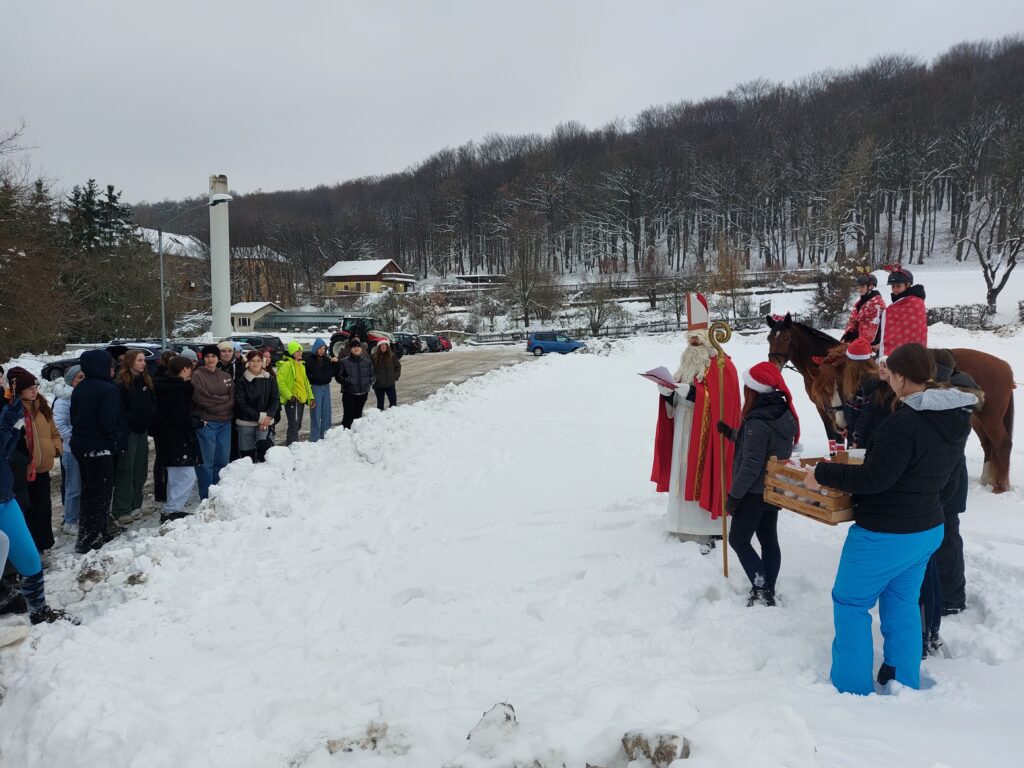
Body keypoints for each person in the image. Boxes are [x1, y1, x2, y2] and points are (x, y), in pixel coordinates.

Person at [804, 343, 976, 695]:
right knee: (901, 602)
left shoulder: (905, 424)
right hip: (926, 527)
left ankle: (851, 688)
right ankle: (903, 676)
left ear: (899, 377)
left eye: (891, 373)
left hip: (886, 532)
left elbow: (874, 479)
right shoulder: (955, 415)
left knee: (851, 602)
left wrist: (822, 473)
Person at [651, 292, 741, 548]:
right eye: (689, 343)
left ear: (707, 342)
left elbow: (725, 402)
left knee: (701, 471)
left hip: (706, 435)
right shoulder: (686, 364)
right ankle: (681, 522)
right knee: (682, 469)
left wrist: (692, 393)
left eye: (696, 343)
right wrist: (668, 395)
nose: (692, 347)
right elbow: (679, 395)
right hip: (683, 426)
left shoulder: (722, 365)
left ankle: (707, 526)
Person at [718, 362, 800, 606]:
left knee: (738, 540)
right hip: (774, 488)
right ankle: (768, 588)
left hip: (754, 492)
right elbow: (764, 447)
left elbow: (752, 463)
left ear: (753, 390)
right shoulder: (781, 412)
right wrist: (733, 433)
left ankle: (762, 587)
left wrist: (734, 496)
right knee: (768, 540)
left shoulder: (757, 421)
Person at [0, 397, 79, 624]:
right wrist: (7, 424)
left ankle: (39, 610)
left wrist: (13, 428)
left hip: (5, 498)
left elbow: (4, 454)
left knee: (30, 558)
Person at [70, 349, 123, 554]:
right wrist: (114, 439)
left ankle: (95, 532)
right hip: (99, 446)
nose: (111, 370)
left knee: (90, 490)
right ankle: (89, 539)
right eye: (109, 366)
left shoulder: (80, 388)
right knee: (100, 492)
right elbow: (108, 422)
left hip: (81, 444)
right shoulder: (108, 389)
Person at [6, 368, 62, 556]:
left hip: (43, 468)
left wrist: (56, 448)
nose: (34, 390)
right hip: (22, 472)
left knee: (43, 509)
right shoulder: (12, 411)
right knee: (27, 511)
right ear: (19, 390)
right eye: (29, 387)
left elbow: (54, 432)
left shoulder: (42, 406)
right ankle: (29, 551)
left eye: (35, 386)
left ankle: (42, 546)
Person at [154, 356, 202, 522]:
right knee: (186, 475)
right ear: (185, 369)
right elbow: (179, 417)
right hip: (176, 437)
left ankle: (174, 508)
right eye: (190, 368)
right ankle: (171, 509)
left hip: (171, 436)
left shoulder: (175, 388)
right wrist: (198, 423)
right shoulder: (176, 390)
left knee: (177, 475)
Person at [111, 349, 155, 525]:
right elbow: (119, 410)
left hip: (142, 430)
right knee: (126, 469)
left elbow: (151, 403)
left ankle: (136, 504)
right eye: (139, 360)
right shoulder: (121, 385)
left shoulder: (145, 381)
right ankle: (121, 509)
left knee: (140, 468)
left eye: (144, 360)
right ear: (130, 362)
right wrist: (130, 420)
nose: (143, 363)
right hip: (128, 432)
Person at [191, 344, 235, 500]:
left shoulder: (225, 376)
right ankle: (206, 496)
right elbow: (202, 399)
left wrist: (219, 403)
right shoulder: (197, 375)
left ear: (218, 358)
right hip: (207, 423)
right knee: (206, 463)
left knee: (222, 460)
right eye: (208, 356)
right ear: (204, 358)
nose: (211, 359)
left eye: (214, 356)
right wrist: (221, 402)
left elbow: (232, 398)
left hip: (225, 423)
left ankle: (219, 495)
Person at [52, 365, 84, 536]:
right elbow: (59, 424)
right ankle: (70, 520)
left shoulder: (81, 395)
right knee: (74, 486)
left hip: (82, 446)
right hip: (71, 449)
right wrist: (75, 437)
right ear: (71, 380)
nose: (82, 380)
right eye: (79, 377)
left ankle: (79, 516)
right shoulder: (64, 399)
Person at [235, 351, 280, 462]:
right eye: (252, 361)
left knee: (264, 454)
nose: (255, 363)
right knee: (247, 457)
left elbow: (275, 400)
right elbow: (241, 403)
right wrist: (260, 417)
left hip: (265, 423)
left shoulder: (270, 379)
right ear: (247, 363)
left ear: (263, 362)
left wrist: (269, 416)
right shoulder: (241, 381)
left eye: (258, 360)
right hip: (246, 422)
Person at [876, 266, 927, 357]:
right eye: (893, 286)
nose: (895, 290)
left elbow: (912, 331)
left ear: (907, 285)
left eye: (898, 286)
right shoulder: (898, 303)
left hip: (912, 352)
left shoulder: (915, 303)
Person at [839, 339, 880, 449]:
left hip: (864, 437)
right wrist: (848, 428)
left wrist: (857, 437)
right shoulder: (856, 378)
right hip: (855, 432)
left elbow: (866, 414)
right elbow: (853, 407)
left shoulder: (870, 380)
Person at [151, 350, 177, 504]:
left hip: (166, 422)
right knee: (162, 458)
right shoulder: (162, 378)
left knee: (165, 457)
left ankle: (164, 490)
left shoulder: (159, 376)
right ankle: (161, 490)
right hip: (162, 423)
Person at [276, 341, 313, 445]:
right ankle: (292, 447)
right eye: (297, 351)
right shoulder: (286, 365)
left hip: (301, 399)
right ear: (292, 352)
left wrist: (311, 398)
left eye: (301, 351)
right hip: (293, 400)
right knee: (294, 425)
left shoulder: (301, 365)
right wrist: (290, 396)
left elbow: (305, 383)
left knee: (297, 425)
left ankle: (293, 446)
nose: (300, 353)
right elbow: (280, 383)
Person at [337, 338, 375, 429]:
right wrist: (348, 381)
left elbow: (372, 376)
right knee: (348, 417)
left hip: (363, 394)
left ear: (361, 348)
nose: (356, 348)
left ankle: (356, 437)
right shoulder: (344, 362)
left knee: (358, 417)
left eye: (358, 346)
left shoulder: (367, 362)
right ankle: (344, 435)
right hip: (349, 394)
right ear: (351, 349)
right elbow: (338, 376)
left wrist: (368, 383)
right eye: (354, 347)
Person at [305, 338, 338, 441]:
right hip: (315, 387)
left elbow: (333, 372)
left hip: (326, 387)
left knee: (326, 412)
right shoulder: (309, 360)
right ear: (316, 348)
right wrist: (312, 378)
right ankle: (315, 438)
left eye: (323, 348)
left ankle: (326, 436)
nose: (322, 351)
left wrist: (336, 363)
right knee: (316, 413)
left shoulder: (327, 360)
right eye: (320, 348)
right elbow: (305, 374)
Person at [841, 273, 886, 345]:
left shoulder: (878, 303)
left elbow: (876, 326)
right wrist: (846, 336)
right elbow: (853, 321)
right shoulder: (858, 303)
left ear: (871, 286)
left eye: (862, 286)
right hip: (855, 338)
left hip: (871, 343)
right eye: (859, 286)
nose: (859, 289)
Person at [370, 339, 401, 411]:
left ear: (387, 346)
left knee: (393, 403)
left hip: (390, 383)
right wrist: (373, 379)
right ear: (379, 347)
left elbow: (398, 367)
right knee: (380, 405)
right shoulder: (373, 357)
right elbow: (369, 369)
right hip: (378, 384)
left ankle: (392, 419)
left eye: (385, 345)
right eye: (382, 345)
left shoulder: (392, 356)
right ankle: (380, 420)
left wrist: (395, 376)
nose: (384, 347)